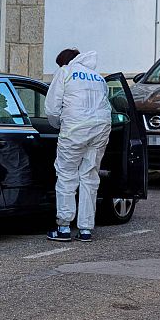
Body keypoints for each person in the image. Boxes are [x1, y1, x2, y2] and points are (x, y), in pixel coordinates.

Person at [45, 49, 112, 242]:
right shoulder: (98, 77)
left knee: (66, 174)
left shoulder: (65, 72)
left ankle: (64, 227)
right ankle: (85, 229)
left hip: (75, 129)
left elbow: (52, 107)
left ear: (64, 62)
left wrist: (58, 124)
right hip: (100, 129)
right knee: (90, 176)